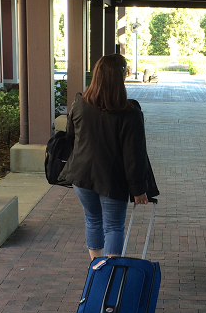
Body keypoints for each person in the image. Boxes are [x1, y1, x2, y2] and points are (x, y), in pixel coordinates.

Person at [62, 54, 159, 260]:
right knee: (114, 226)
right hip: (112, 180)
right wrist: (138, 189)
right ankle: (110, 276)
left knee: (93, 220)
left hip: (81, 176)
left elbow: (70, 137)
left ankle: (97, 270)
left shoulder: (79, 104)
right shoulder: (129, 112)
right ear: (121, 76)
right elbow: (134, 155)